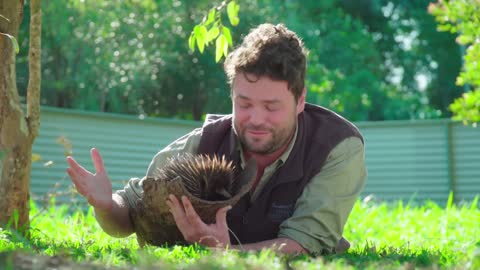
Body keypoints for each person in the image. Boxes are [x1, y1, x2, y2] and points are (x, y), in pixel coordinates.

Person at [66, 23, 367, 256]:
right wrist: (106, 205)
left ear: (300, 100)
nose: (256, 119)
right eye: (244, 104)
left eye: (271, 107)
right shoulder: (203, 144)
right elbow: (129, 216)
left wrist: (225, 255)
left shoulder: (336, 147)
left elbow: (305, 242)